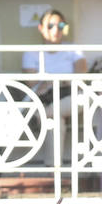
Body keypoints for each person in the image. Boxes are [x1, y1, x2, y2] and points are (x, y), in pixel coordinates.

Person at [22, 9, 87, 164]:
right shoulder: (31, 53)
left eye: (60, 25)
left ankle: (41, 115)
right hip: (47, 98)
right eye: (51, 26)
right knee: (55, 120)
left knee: (79, 101)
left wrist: (51, 81)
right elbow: (31, 83)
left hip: (70, 96)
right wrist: (62, 80)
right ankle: (54, 170)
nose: (56, 30)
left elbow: (81, 76)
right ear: (41, 28)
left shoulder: (73, 49)